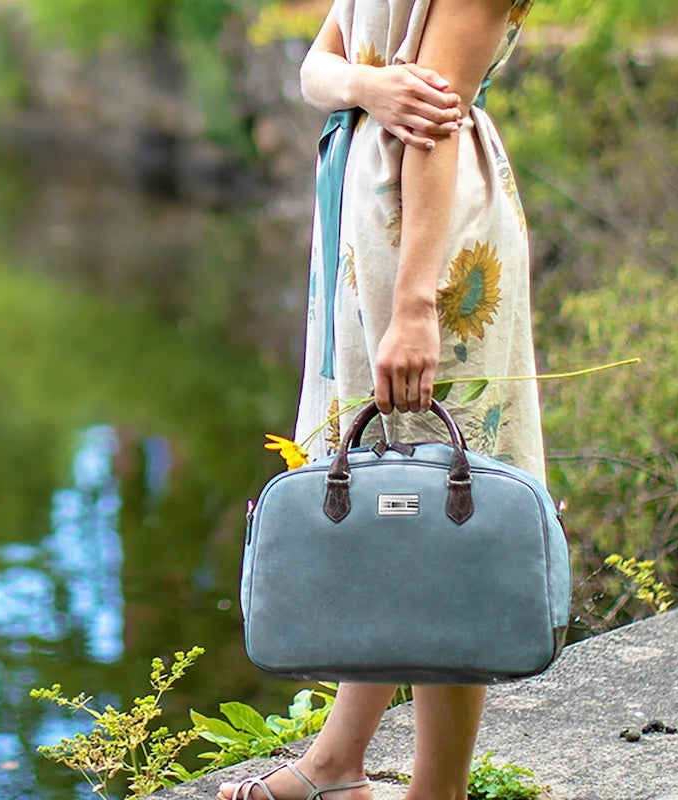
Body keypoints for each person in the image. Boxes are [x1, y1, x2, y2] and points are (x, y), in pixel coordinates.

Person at [219, 2, 544, 800]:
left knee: (438, 506)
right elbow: (313, 71)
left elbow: (433, 122)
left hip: (430, 241)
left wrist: (417, 306)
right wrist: (369, 83)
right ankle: (338, 761)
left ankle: (439, 789)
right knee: (375, 487)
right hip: (363, 224)